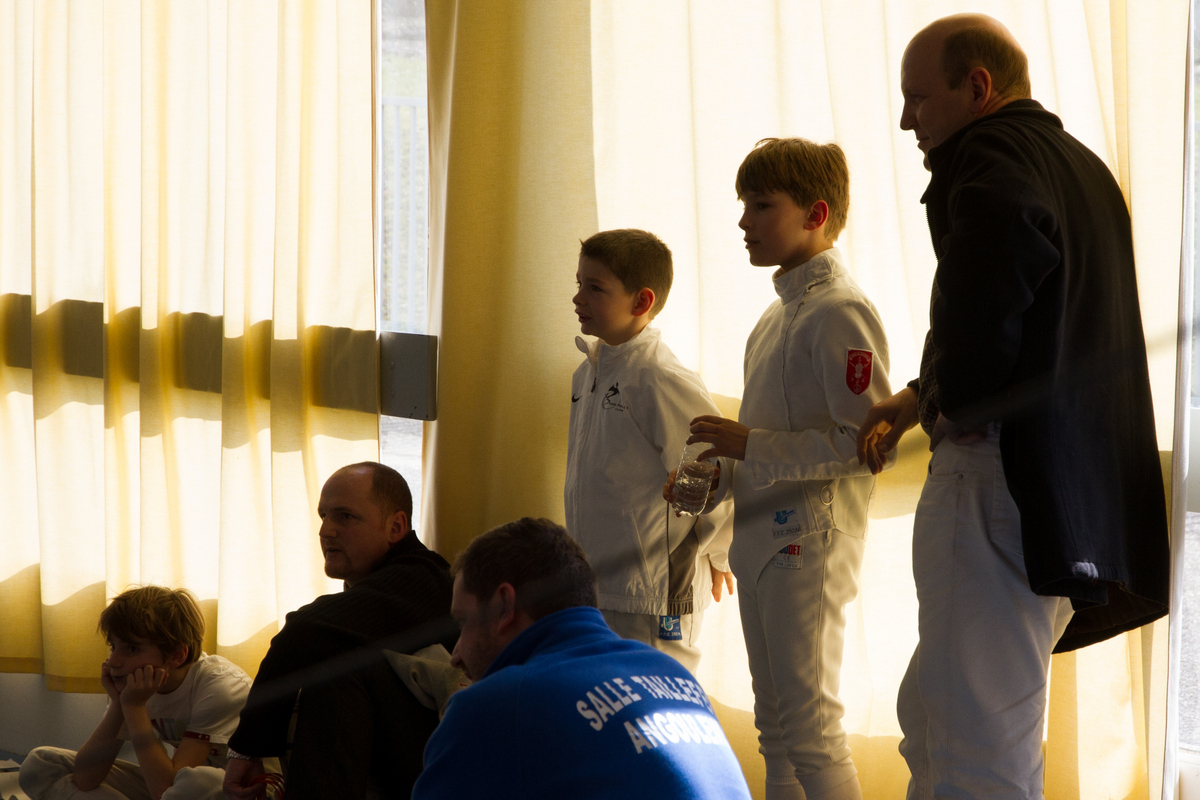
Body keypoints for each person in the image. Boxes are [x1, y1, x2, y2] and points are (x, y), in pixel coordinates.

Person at [856, 14, 1170, 799]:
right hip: (1060, 493)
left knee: (977, 754)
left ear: (978, 87)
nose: (907, 120)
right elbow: (1039, 317)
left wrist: (955, 400)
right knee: (936, 720)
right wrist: (920, 395)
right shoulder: (1080, 167)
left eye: (918, 98)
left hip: (997, 481)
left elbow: (994, 281)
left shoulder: (989, 153)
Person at [670, 137, 891, 800]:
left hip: (812, 541)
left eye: (762, 205)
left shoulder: (840, 310)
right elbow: (765, 446)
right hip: (760, 541)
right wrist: (715, 482)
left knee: (811, 731)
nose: (744, 221)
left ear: (816, 214)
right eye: (744, 204)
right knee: (776, 731)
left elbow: (868, 443)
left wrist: (751, 445)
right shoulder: (775, 318)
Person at [412, 517, 752, 800]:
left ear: (503, 607)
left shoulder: (495, 705)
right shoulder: (673, 672)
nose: (456, 655)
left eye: (463, 622)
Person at [222, 462, 456, 800]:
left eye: (345, 516)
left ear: (395, 527)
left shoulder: (423, 578)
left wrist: (247, 749)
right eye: (323, 516)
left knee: (338, 661)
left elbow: (303, 630)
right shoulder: (377, 586)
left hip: (440, 770)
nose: (326, 531)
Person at [565, 228, 733, 673]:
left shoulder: (661, 377)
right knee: (610, 701)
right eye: (578, 283)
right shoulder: (587, 374)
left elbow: (711, 470)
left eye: (595, 288)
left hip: (655, 593)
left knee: (661, 703)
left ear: (641, 302)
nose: (578, 298)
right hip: (601, 587)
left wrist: (721, 554)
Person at [20, 586, 251, 800]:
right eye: (113, 646)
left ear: (177, 655)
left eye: (132, 648)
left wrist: (134, 707)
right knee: (41, 764)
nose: (113, 661)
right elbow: (85, 779)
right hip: (170, 787)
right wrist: (120, 704)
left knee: (193, 784)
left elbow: (168, 788)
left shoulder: (220, 686)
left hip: (235, 790)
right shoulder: (138, 685)